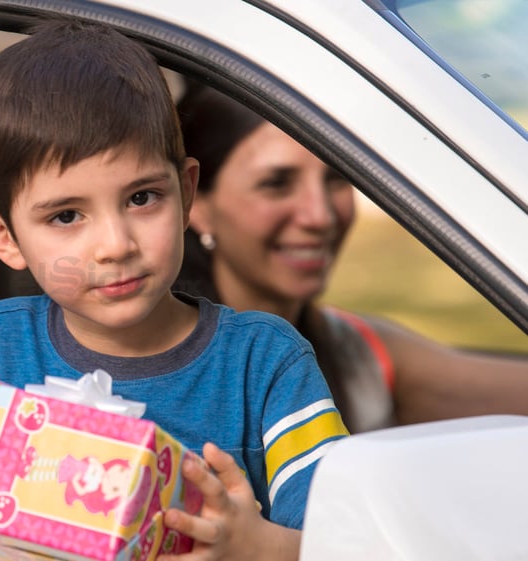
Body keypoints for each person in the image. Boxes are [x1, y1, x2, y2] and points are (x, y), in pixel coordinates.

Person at [0, 18, 348, 560]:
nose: (115, 245)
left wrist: (257, 549)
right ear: (5, 238)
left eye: (142, 198)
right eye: (67, 215)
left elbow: (355, 538)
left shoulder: (264, 362)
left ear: (186, 192)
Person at [174, 80, 528, 434]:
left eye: (336, 178)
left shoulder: (356, 351)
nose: (321, 215)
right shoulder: (159, 368)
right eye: (277, 183)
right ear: (197, 204)